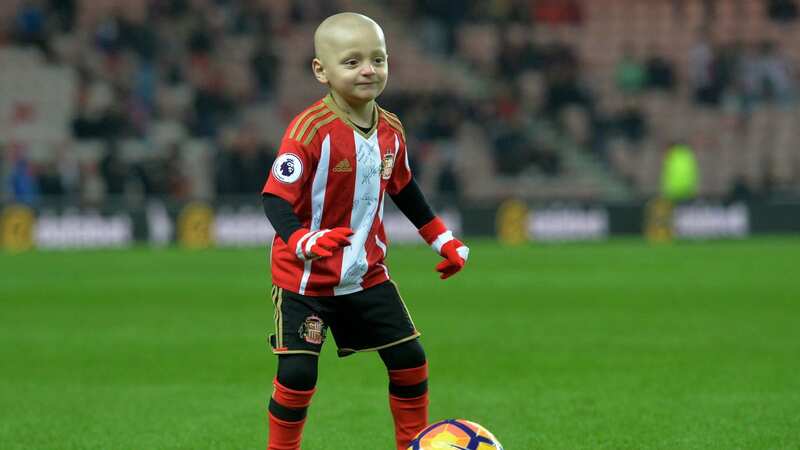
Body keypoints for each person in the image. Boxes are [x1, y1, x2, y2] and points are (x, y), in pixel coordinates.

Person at [260, 13, 469, 450]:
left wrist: (442, 239)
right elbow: (275, 198)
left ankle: (412, 445)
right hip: (305, 279)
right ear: (322, 71)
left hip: (366, 274)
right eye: (352, 62)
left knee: (410, 359)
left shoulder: (391, 129)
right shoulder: (309, 131)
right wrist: (302, 240)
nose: (368, 70)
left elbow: (405, 188)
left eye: (378, 59)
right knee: (297, 372)